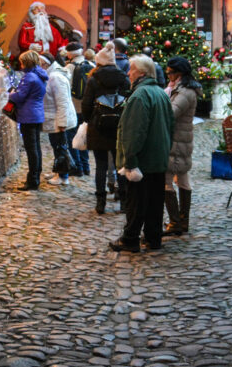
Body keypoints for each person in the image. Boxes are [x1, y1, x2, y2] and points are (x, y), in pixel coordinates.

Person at [109, 54, 174, 253]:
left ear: (142, 74)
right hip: (157, 158)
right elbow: (171, 127)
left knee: (136, 201)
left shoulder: (139, 96)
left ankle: (130, 239)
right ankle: (153, 238)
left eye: (131, 70)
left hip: (142, 160)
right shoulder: (161, 93)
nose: (128, 73)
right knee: (155, 201)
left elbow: (134, 132)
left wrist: (129, 160)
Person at [81, 42, 130, 215]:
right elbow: (128, 100)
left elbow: (86, 104)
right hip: (119, 126)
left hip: (98, 126)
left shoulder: (94, 79)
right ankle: (123, 202)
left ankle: (100, 202)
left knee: (101, 166)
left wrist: (89, 120)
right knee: (120, 165)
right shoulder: (123, 78)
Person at [162, 56, 201, 236]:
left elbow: (171, 113)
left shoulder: (184, 92)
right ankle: (182, 221)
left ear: (179, 74)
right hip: (180, 140)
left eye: (170, 72)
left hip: (176, 141)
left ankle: (176, 222)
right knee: (182, 179)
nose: (168, 75)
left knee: (167, 181)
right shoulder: (180, 89)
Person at [7, 50, 48, 190]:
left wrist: (10, 94)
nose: (20, 65)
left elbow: (19, 96)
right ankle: (36, 177)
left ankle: (32, 180)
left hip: (28, 116)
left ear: (26, 62)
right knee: (36, 148)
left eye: (21, 62)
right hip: (36, 114)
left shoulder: (29, 77)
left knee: (32, 149)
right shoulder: (39, 74)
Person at [40, 53, 78, 186]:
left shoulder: (55, 77)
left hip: (59, 120)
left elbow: (62, 103)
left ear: (45, 64)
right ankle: (58, 171)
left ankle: (63, 176)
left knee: (61, 148)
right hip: (54, 118)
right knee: (57, 146)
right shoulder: (50, 75)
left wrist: (62, 123)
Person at [64, 42, 92, 177]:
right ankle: (86, 167)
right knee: (83, 137)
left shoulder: (69, 67)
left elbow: (66, 89)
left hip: (74, 107)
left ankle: (77, 167)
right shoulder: (91, 65)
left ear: (70, 54)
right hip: (87, 107)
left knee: (72, 137)